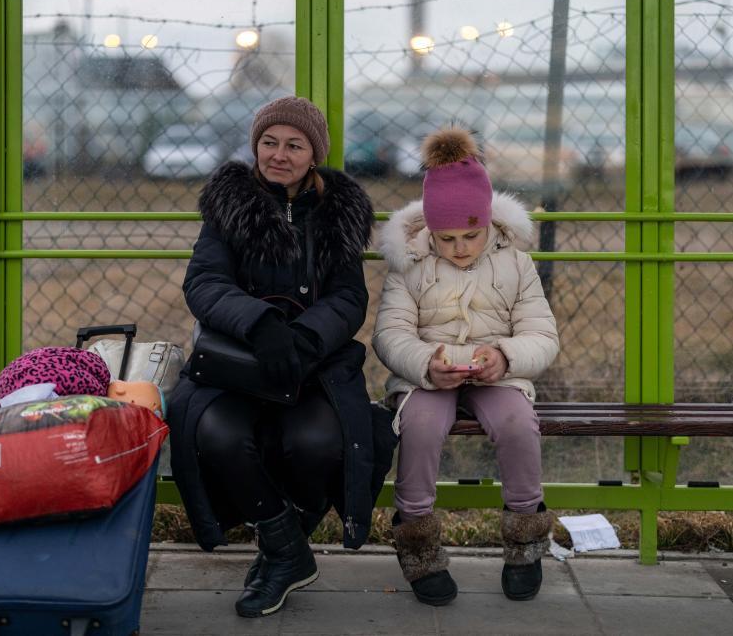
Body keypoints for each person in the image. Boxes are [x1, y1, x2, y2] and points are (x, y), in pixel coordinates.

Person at [168, 96, 395, 618]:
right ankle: (286, 549)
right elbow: (204, 282)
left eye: (294, 145)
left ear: (314, 154)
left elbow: (348, 297)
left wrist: (305, 339)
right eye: (269, 142)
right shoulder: (230, 202)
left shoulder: (339, 210)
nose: (279, 154)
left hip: (313, 365)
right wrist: (261, 325)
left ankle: (283, 550)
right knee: (216, 432)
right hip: (239, 361)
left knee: (317, 441)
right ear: (256, 146)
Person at [372, 127, 559, 606]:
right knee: (419, 426)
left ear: (490, 223)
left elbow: (542, 334)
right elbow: (390, 334)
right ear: (430, 230)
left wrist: (506, 356)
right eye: (447, 238)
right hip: (428, 377)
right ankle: (418, 541)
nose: (459, 248)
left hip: (496, 374)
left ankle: (525, 540)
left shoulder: (516, 262)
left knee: (517, 423)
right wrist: (425, 364)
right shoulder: (410, 263)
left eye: (471, 236)